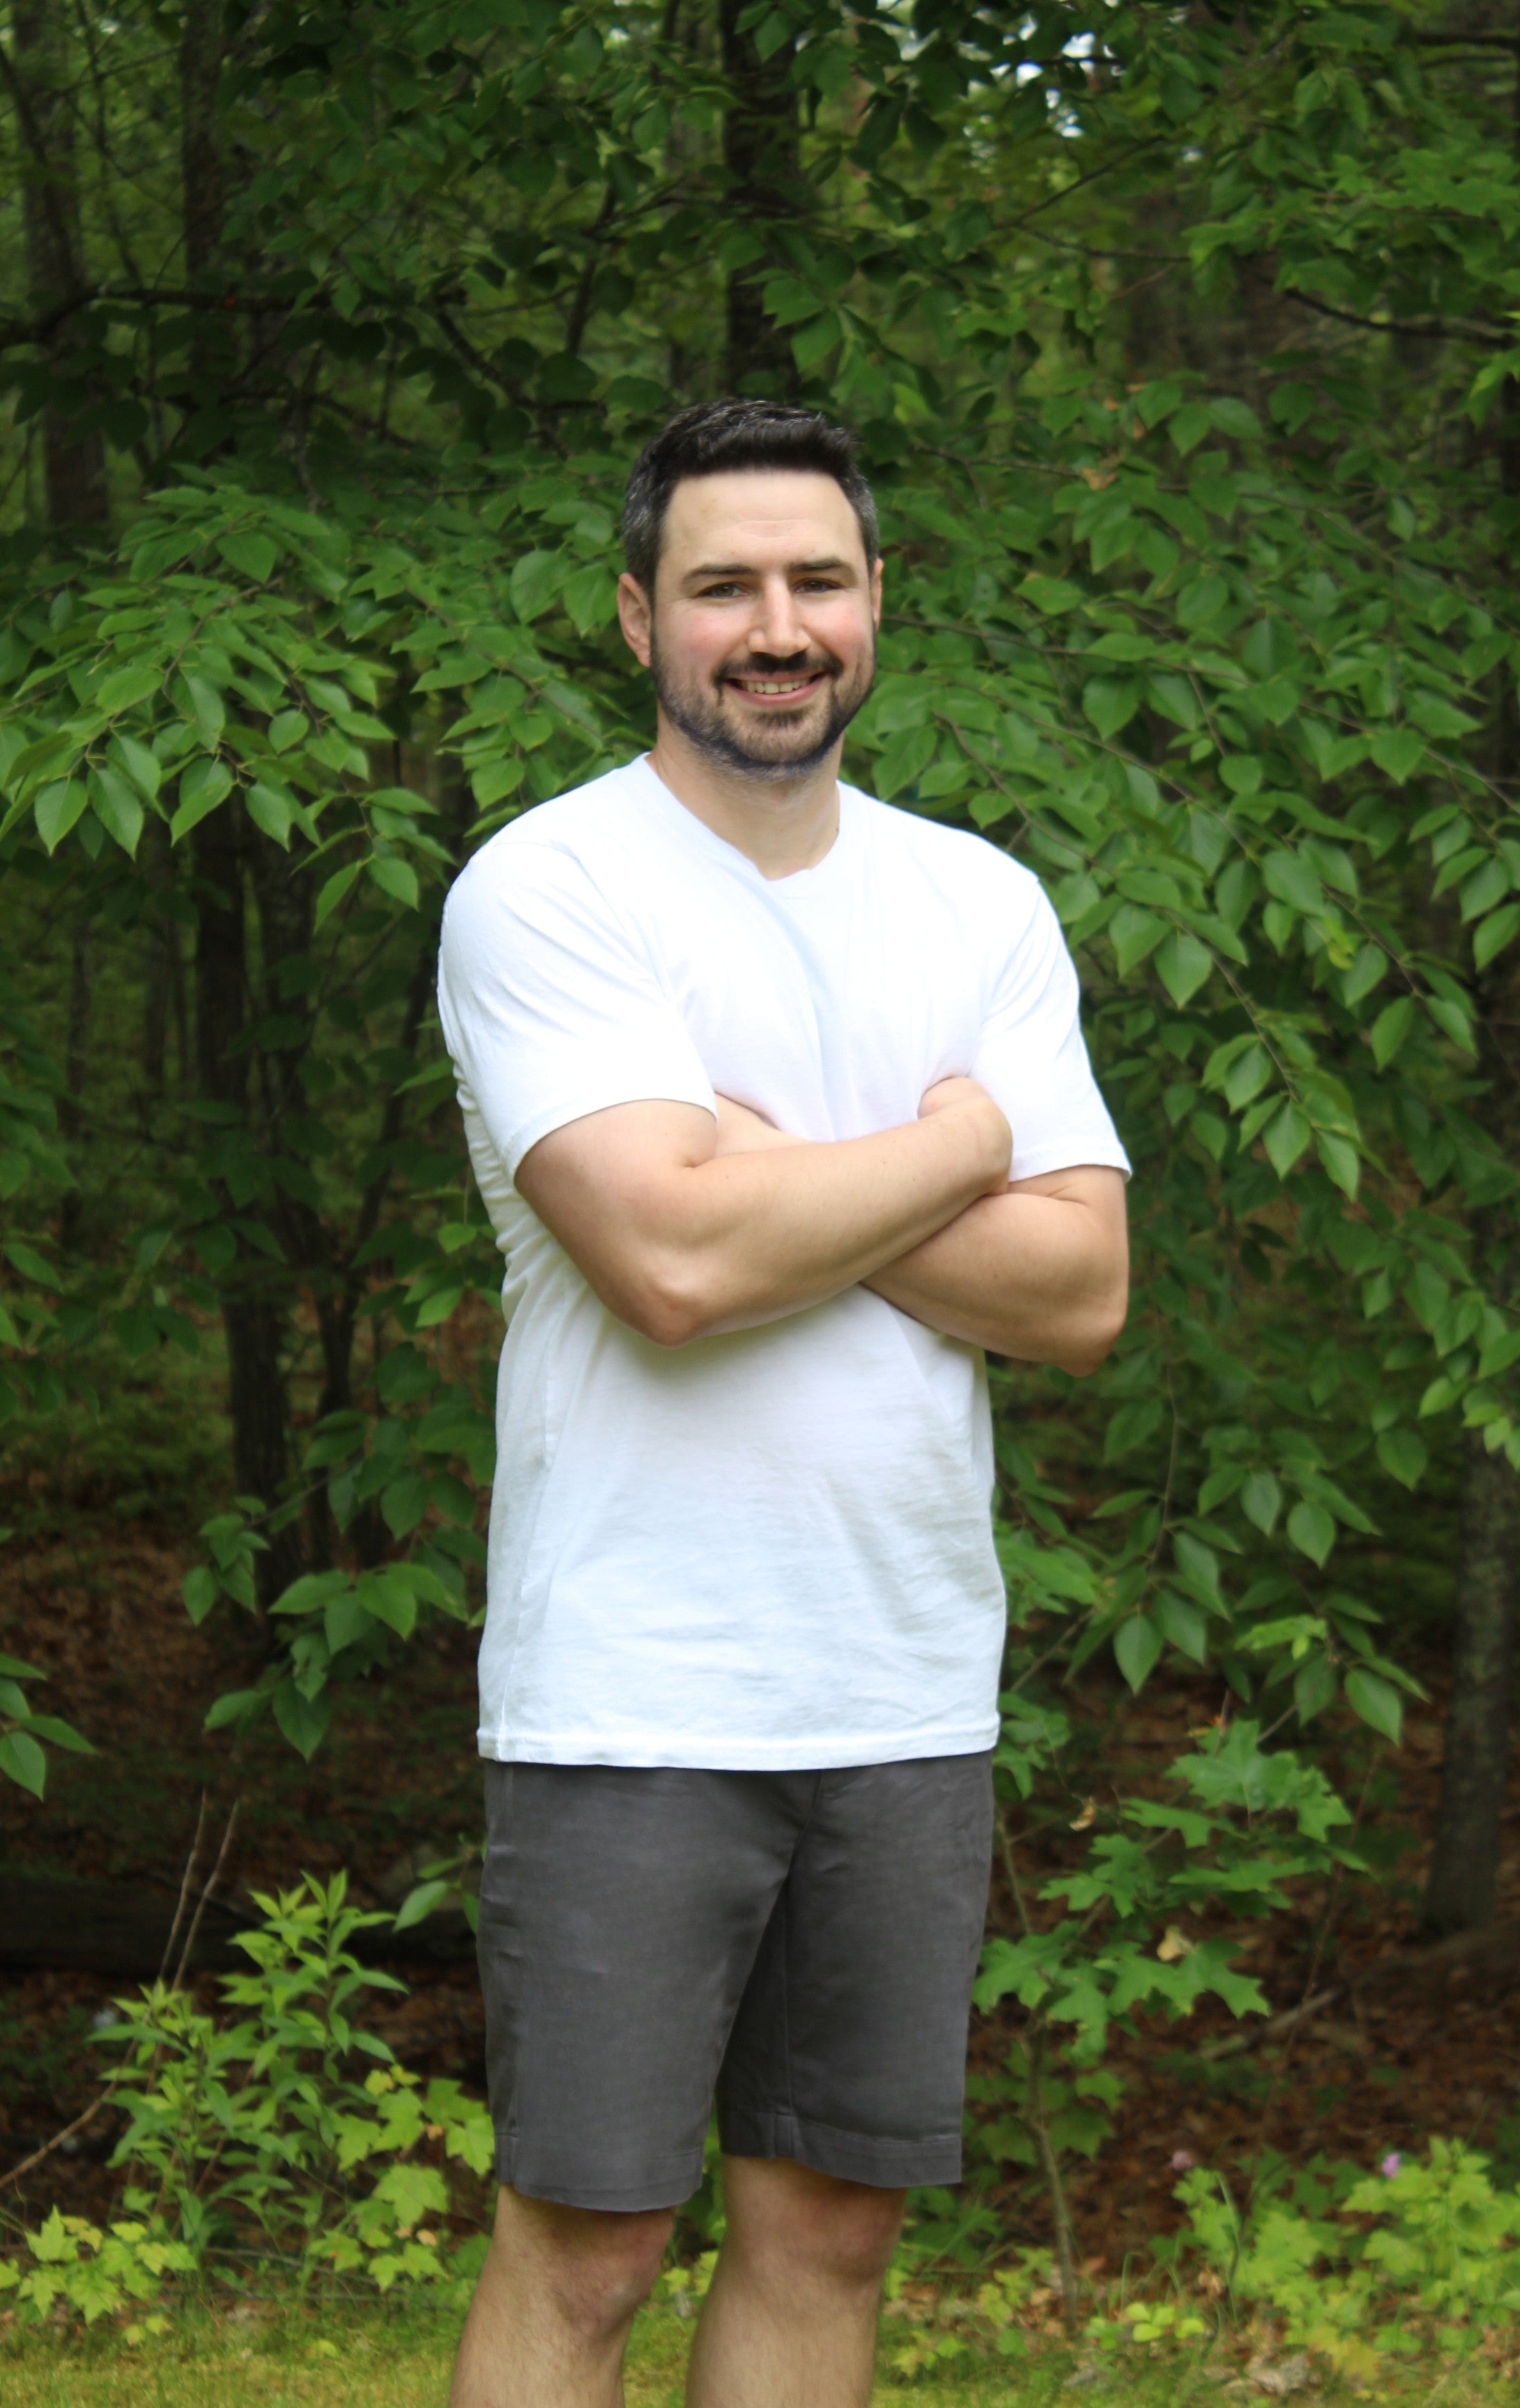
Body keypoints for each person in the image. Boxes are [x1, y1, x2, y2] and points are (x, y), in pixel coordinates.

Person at [437, 398, 1130, 2408]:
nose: (776, 624)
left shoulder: (975, 906)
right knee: (590, 2244)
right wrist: (962, 1139)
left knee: (831, 2228)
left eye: (816, 581)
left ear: (876, 606)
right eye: (724, 585)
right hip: (637, 1684)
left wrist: (780, 1168)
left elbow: (1079, 1288)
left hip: (903, 1676)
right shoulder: (551, 888)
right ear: (639, 612)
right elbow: (668, 1266)